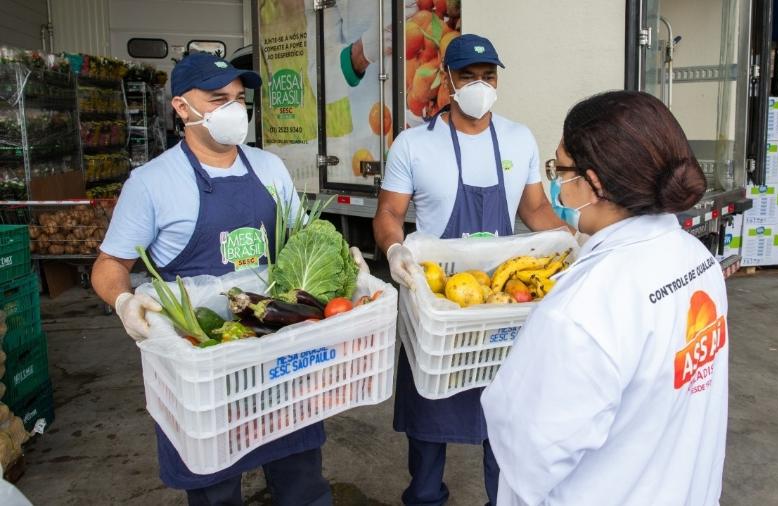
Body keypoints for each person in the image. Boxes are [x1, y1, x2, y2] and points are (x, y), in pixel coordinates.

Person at [91, 52, 364, 505]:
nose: (234, 110)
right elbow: (109, 265)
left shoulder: (269, 167)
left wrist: (340, 255)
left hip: (279, 349)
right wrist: (123, 301)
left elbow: (302, 237)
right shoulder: (152, 182)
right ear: (182, 108)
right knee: (215, 486)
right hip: (205, 358)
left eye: (239, 98)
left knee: (300, 476)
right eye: (218, 99)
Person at [481, 91, 729, 506]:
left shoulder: (581, 310)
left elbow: (529, 451)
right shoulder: (696, 260)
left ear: (593, 183)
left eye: (559, 169)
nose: (555, 183)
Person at [373, 34, 568, 505]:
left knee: (504, 414)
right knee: (429, 411)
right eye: (468, 76)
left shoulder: (519, 138)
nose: (480, 85)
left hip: (500, 300)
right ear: (447, 79)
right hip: (437, 300)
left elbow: (535, 208)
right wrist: (395, 251)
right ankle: (424, 496)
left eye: (488, 76)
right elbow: (388, 213)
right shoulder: (415, 145)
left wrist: (574, 240)